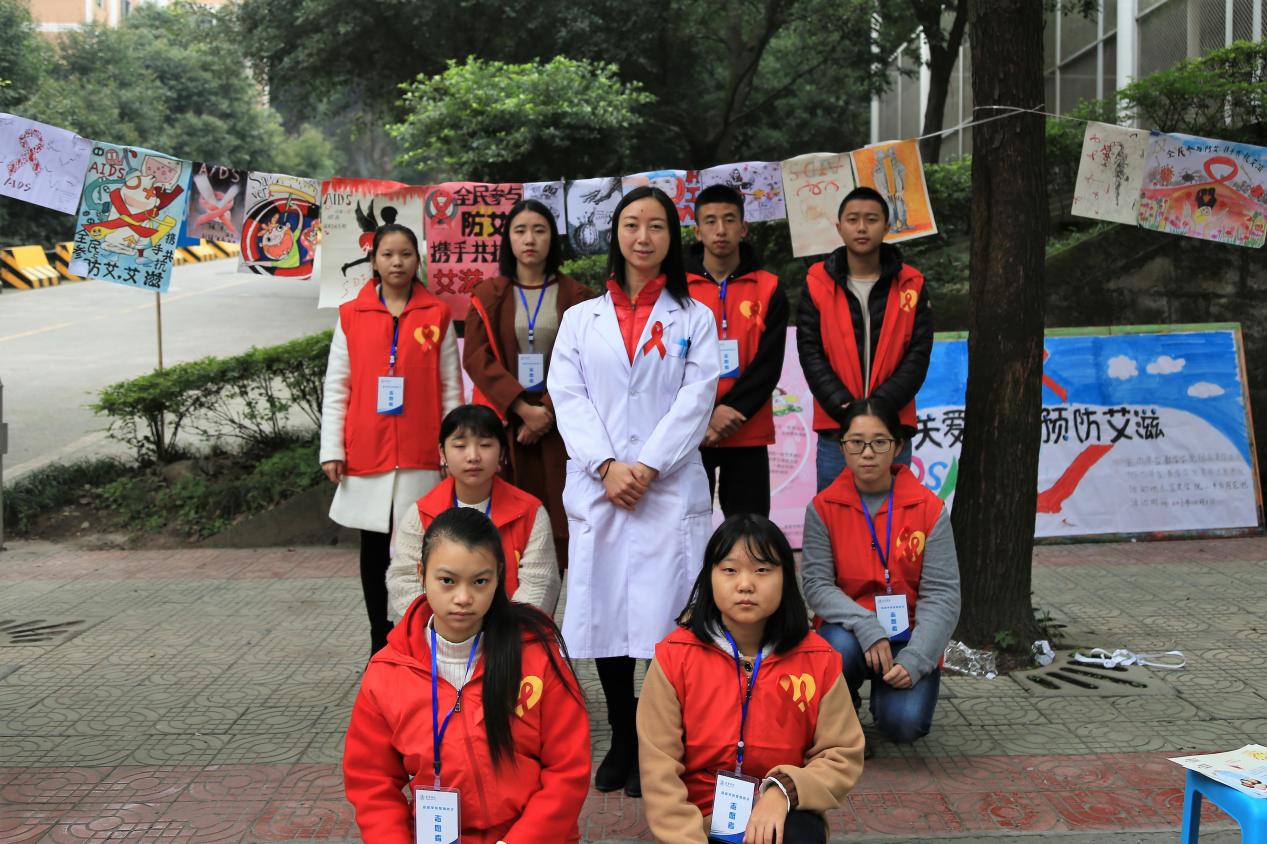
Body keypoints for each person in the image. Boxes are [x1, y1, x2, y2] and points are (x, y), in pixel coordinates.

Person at [549, 185, 721, 798]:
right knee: (606, 616)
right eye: (631, 224)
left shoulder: (695, 317)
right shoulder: (581, 318)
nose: (642, 237)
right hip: (601, 487)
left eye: (656, 226)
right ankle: (622, 736)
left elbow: (697, 398)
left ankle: (657, 742)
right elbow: (567, 395)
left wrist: (645, 466)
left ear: (672, 238)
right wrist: (605, 465)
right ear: (615, 234)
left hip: (665, 489)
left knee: (664, 619)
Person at [343, 507, 591, 844]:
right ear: (421, 574)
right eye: (447, 580)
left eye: (480, 581)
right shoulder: (388, 672)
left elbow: (567, 768)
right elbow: (371, 783)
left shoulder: (537, 652)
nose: (463, 598)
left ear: (498, 576)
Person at [639, 514, 865, 844]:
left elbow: (841, 754)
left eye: (762, 570)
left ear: (786, 578)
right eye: (730, 570)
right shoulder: (674, 657)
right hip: (697, 819)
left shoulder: (819, 659)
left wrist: (783, 790)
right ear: (710, 577)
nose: (745, 584)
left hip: (777, 814)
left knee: (802, 835)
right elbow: (659, 770)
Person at [320, 222, 462, 657]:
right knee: (373, 548)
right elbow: (337, 386)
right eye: (388, 254)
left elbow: (450, 388)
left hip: (422, 453)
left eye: (405, 254)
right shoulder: (351, 315)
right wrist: (332, 449)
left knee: (422, 547)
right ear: (373, 261)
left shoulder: (437, 314)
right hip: (368, 450)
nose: (397, 262)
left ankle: (417, 635)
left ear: (417, 260)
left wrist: (451, 451)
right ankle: (378, 639)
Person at [802, 397, 960, 745]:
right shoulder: (823, 508)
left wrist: (917, 658)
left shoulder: (929, 509)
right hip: (849, 631)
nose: (868, 453)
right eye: (856, 443)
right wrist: (865, 623)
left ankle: (887, 696)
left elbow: (942, 595)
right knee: (836, 648)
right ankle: (843, 715)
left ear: (898, 446)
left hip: (910, 635)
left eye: (879, 442)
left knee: (904, 725)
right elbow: (816, 584)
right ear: (842, 447)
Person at [463, 200, 595, 566]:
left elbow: (587, 359)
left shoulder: (578, 296)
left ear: (553, 238)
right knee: (512, 526)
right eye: (520, 231)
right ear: (508, 239)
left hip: (562, 423)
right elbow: (476, 357)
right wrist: (522, 409)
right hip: (510, 424)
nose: (530, 239)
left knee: (563, 522)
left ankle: (561, 600)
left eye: (539, 230)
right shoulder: (489, 295)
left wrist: (546, 412)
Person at [795, 186, 932, 492]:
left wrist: (880, 409)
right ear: (839, 227)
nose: (861, 227)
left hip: (892, 428)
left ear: (886, 226)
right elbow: (810, 351)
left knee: (892, 513)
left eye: (871, 219)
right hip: (838, 428)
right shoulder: (817, 283)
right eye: (853, 219)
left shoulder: (911, 283)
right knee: (835, 513)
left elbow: (918, 353)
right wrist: (845, 408)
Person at [385, 404, 561, 620]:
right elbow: (404, 579)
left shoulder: (530, 512)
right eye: (460, 446)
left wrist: (505, 630)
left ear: (502, 452)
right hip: (438, 630)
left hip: (512, 631)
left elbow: (540, 582)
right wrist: (442, 626)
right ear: (442, 453)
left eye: (485, 445)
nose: (473, 456)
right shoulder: (421, 514)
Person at [686, 184, 788, 518]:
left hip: (747, 430)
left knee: (749, 529)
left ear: (743, 228)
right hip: (691, 431)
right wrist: (705, 416)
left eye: (729, 220)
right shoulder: (677, 289)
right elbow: (671, 363)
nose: (720, 229)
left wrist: (730, 412)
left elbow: (768, 365)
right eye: (710, 221)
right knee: (687, 529)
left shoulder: (769, 287)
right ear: (697, 231)